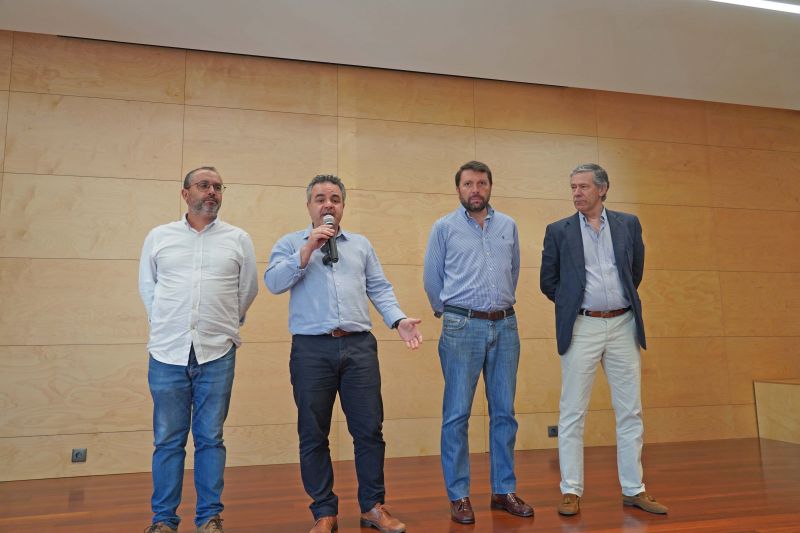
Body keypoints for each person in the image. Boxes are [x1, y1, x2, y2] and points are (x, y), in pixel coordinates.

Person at [264, 174, 422, 533]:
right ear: (309, 206)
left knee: (369, 430)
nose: (328, 205)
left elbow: (379, 288)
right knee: (313, 433)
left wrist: (398, 320)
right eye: (320, 199)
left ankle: (373, 507)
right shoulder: (290, 243)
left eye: (334, 199)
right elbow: (273, 283)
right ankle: (324, 512)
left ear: (343, 206)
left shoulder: (360, 245)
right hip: (311, 349)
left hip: (358, 347)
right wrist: (307, 249)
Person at [539, 163, 668, 516]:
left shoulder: (629, 224)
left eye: (583, 186)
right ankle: (571, 490)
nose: (576, 193)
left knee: (630, 410)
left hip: (624, 325)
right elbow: (548, 282)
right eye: (573, 187)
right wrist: (574, 304)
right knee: (572, 411)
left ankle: (634, 489)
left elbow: (634, 271)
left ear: (602, 188)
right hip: (582, 326)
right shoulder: (558, 231)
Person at [139, 166, 259, 533]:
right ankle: (163, 520)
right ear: (185, 193)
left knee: (211, 439)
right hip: (167, 353)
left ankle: (209, 518)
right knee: (168, 440)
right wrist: (166, 323)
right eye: (204, 185)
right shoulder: (159, 237)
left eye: (218, 187)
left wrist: (224, 325)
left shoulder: (238, 239)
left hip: (216, 352)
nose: (212, 192)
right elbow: (149, 288)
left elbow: (247, 290)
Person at [423, 161, 533, 525]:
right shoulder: (444, 227)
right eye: (468, 183)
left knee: (504, 412)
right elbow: (432, 279)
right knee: (457, 414)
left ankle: (504, 490)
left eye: (481, 183)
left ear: (490, 187)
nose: (475, 189)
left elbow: (513, 271)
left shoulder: (508, 226)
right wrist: (451, 313)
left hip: (505, 326)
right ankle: (459, 495)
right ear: (458, 189)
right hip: (461, 326)